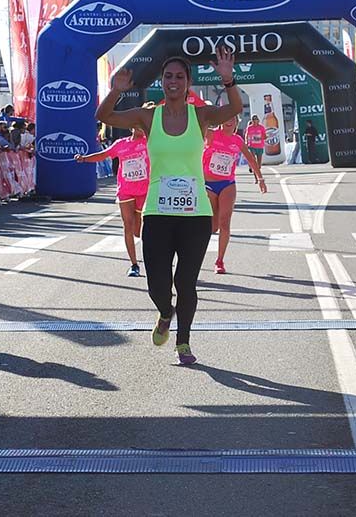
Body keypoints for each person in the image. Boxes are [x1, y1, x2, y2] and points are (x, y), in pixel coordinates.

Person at [96, 46, 242, 365]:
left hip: (196, 214)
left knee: (185, 282)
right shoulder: (148, 116)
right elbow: (103, 117)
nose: (173, 81)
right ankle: (165, 312)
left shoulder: (200, 115)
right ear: (162, 82)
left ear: (188, 82)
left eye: (179, 76)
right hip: (158, 213)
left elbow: (233, 108)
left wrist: (228, 79)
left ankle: (184, 342)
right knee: (157, 284)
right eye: (168, 77)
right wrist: (115, 92)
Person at [74, 127, 150, 277]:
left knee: (140, 231)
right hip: (125, 190)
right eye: (137, 124)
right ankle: (134, 264)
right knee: (127, 226)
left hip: (144, 191)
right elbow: (103, 155)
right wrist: (84, 158)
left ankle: (152, 259)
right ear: (131, 127)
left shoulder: (149, 143)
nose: (141, 128)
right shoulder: (121, 144)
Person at [204, 116, 268, 275]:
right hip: (208, 184)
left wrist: (260, 178)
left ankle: (219, 260)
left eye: (232, 118)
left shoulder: (237, 140)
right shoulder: (211, 134)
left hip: (227, 184)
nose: (229, 120)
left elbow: (251, 160)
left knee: (224, 223)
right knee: (212, 226)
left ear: (237, 122)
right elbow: (195, 124)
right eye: (226, 117)